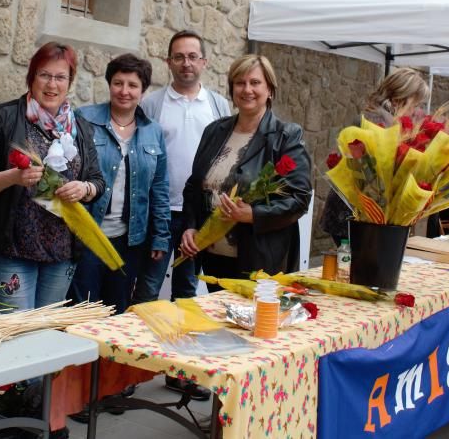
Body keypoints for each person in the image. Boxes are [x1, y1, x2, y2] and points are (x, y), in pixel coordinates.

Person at [0, 42, 105, 310]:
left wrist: (84, 188)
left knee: (47, 329)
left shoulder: (80, 127)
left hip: (63, 249)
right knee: (17, 326)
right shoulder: (6, 117)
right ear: (31, 77)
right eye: (44, 75)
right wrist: (13, 177)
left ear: (69, 82)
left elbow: (99, 181)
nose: (52, 84)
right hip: (14, 245)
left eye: (60, 77)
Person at [132, 31, 229, 401]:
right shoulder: (153, 104)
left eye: (193, 56)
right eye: (179, 57)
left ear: (204, 61)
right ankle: (134, 368)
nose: (186, 63)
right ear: (168, 62)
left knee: (187, 293)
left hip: (197, 218)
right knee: (148, 288)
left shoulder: (218, 105)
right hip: (159, 211)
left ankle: (180, 371)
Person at [180, 54, 313, 279]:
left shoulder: (286, 136)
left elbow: (299, 199)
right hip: (212, 256)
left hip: (260, 261)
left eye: (255, 82)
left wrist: (253, 214)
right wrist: (190, 226)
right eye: (240, 83)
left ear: (270, 89)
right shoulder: (214, 131)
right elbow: (194, 187)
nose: (247, 89)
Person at [70, 54, 171, 314]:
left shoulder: (153, 131)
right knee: (84, 309)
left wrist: (160, 237)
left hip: (130, 240)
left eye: (132, 85)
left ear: (143, 90)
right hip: (88, 233)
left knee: (117, 310)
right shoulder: (84, 119)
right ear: (109, 84)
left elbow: (159, 189)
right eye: (118, 83)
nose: (124, 91)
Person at [320, 67, 430, 245]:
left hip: (359, 214)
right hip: (355, 214)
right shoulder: (376, 122)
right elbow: (372, 175)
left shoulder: (383, 118)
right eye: (415, 104)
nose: (416, 110)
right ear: (398, 98)